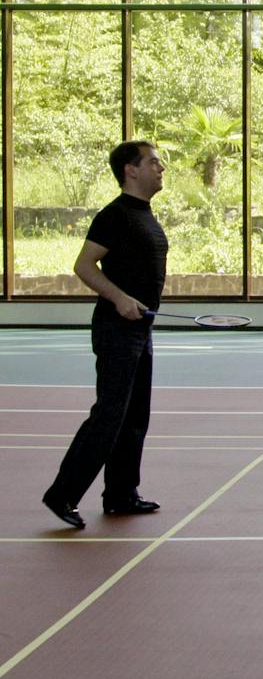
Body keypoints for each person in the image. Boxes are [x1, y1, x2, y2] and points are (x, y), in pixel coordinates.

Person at [41, 141, 170, 529]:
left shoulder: (144, 214)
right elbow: (83, 265)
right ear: (130, 170)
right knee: (109, 415)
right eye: (153, 162)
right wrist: (118, 298)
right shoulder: (115, 215)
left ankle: (120, 493)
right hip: (117, 330)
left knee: (135, 416)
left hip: (140, 329)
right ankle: (62, 495)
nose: (161, 168)